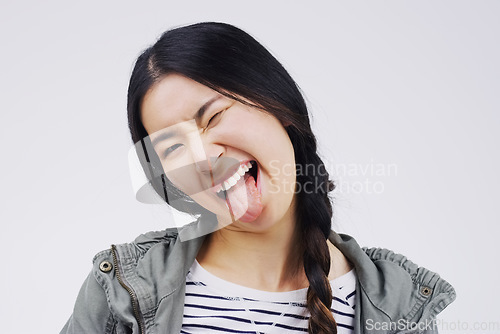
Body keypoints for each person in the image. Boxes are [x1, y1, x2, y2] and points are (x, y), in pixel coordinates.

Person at [60, 22, 456, 334]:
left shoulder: (402, 305)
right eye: (174, 149)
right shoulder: (120, 292)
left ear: (277, 105)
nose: (203, 158)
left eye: (213, 117)